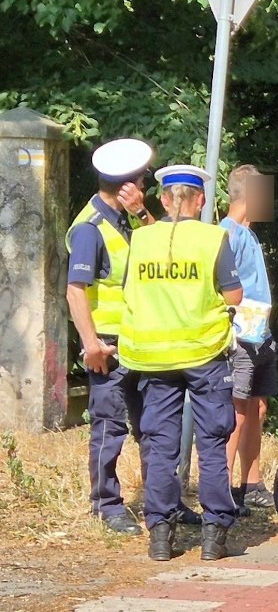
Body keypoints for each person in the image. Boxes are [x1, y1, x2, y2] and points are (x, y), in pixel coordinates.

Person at [118, 164, 243, 562]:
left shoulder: (141, 241)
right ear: (201, 199)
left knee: (161, 445)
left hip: (154, 356)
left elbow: (130, 290)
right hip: (204, 353)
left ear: (163, 199)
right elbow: (235, 295)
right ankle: (214, 536)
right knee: (212, 441)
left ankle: (160, 536)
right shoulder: (213, 238)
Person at [66, 138, 156, 536]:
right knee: (109, 425)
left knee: (153, 424)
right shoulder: (90, 228)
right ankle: (106, 504)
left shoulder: (129, 219)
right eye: (141, 182)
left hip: (141, 341)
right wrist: (91, 345)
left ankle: (161, 502)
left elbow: (165, 250)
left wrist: (142, 212)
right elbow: (75, 290)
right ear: (126, 184)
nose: (145, 187)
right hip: (108, 343)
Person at [220, 165, 277, 515]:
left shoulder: (250, 234)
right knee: (236, 412)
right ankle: (222, 488)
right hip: (241, 336)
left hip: (262, 334)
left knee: (258, 407)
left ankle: (250, 484)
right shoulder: (226, 234)